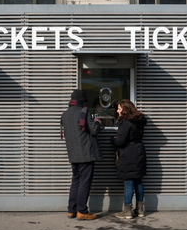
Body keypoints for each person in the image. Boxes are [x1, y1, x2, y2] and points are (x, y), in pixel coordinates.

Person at [61, 89, 104, 220]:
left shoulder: (65, 114)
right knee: (85, 182)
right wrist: (98, 122)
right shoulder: (84, 112)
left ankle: (71, 210)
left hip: (73, 154)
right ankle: (82, 211)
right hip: (85, 153)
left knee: (75, 181)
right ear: (82, 101)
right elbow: (94, 130)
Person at [111, 99, 147, 219]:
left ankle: (127, 210)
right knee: (138, 181)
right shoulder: (139, 121)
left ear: (125, 110)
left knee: (128, 182)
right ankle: (140, 209)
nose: (117, 111)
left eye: (119, 109)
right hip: (139, 151)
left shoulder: (125, 123)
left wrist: (112, 140)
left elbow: (120, 141)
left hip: (128, 154)